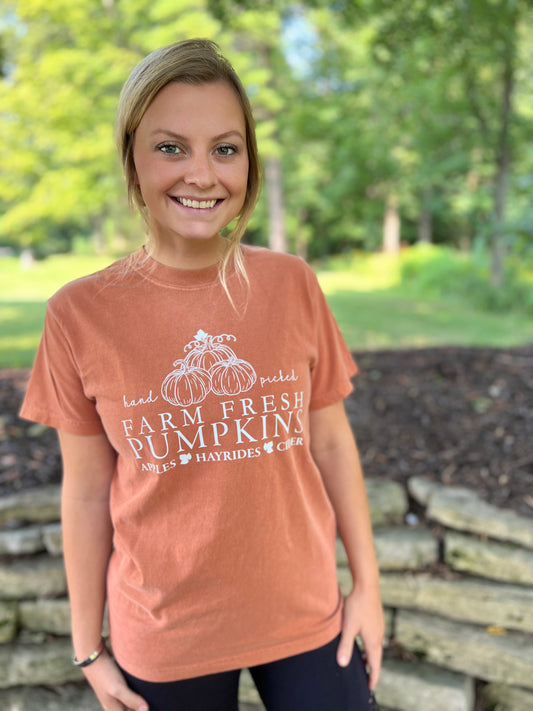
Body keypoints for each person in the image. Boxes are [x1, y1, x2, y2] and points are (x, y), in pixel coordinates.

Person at [20, 39, 384, 711]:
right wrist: (87, 646)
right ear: (131, 155)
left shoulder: (290, 284)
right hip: (165, 635)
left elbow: (331, 443)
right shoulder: (78, 313)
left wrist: (366, 587)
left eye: (225, 148)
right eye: (169, 148)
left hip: (308, 619)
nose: (202, 174)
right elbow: (87, 492)